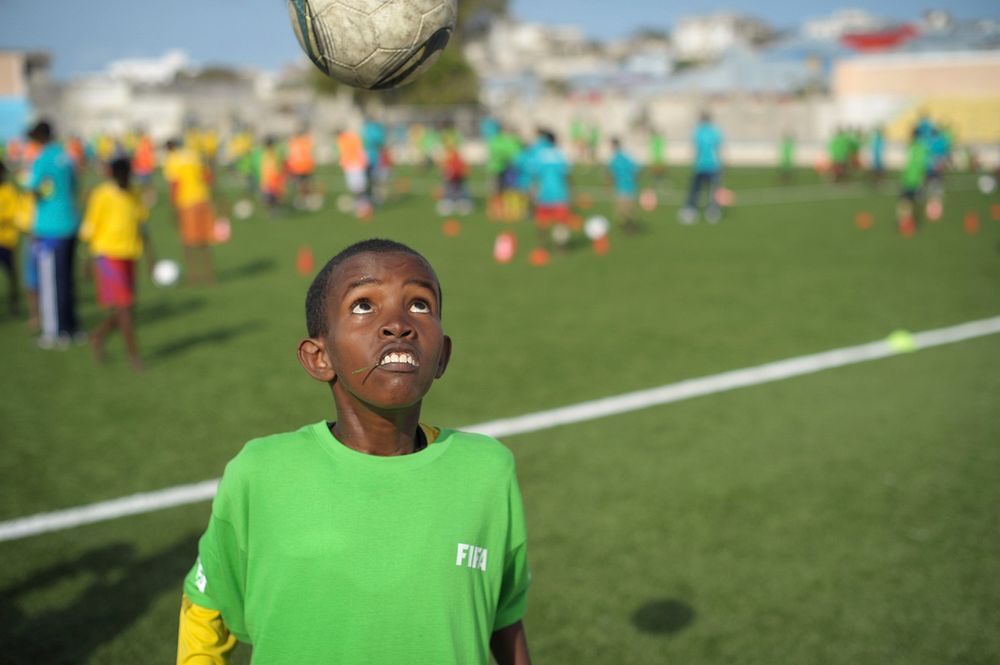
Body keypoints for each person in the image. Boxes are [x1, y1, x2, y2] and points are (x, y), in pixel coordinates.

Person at [177, 238, 533, 665]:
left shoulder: (487, 470)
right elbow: (207, 606)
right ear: (318, 357)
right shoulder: (260, 472)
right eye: (364, 306)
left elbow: (503, 620)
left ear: (443, 356)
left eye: (419, 305)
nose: (398, 324)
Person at [79, 157, 148, 371]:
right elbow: (90, 227)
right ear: (112, 176)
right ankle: (134, 357)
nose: (124, 181)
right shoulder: (102, 195)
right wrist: (87, 261)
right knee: (124, 308)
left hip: (130, 254)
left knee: (126, 308)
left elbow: (141, 224)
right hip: (108, 257)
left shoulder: (134, 193)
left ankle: (98, 335)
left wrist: (151, 257)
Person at [26, 119, 82, 347]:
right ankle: (72, 327)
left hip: (50, 228)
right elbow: (74, 186)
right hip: (70, 223)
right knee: (67, 280)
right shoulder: (67, 156)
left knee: (50, 283)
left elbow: (33, 189)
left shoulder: (42, 159)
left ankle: (55, 332)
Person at [163, 138, 216, 285]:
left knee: (188, 241)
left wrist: (173, 207)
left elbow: (175, 184)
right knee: (204, 240)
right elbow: (208, 177)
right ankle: (209, 274)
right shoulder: (194, 155)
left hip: (186, 202)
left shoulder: (172, 159)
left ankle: (193, 276)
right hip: (203, 199)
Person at [525, 128, 572, 250]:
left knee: (541, 222)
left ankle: (543, 245)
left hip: (544, 194)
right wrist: (570, 192)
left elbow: (534, 174)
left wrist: (532, 192)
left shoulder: (540, 155)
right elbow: (566, 175)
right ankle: (561, 246)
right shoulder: (560, 155)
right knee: (561, 223)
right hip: (560, 194)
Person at [681, 111, 723, 224]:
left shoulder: (698, 132)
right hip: (713, 166)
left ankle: (691, 211)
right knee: (712, 190)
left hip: (700, 165)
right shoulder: (715, 132)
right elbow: (718, 149)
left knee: (696, 190)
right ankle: (712, 211)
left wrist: (692, 160)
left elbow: (696, 149)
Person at [608, 137, 641, 234]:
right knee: (627, 211)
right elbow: (637, 171)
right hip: (630, 187)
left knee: (623, 211)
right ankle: (629, 227)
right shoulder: (627, 157)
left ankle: (630, 227)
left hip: (623, 188)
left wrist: (610, 184)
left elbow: (612, 175)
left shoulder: (616, 159)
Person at [0, 160, 21, 315]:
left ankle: (14, 303)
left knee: (11, 273)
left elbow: (14, 212)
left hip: (7, 240)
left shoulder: (8, 190)